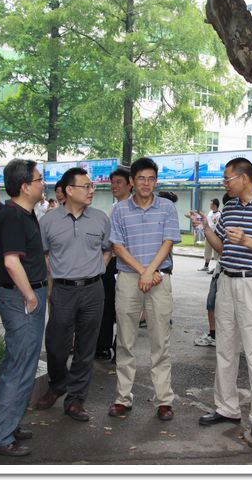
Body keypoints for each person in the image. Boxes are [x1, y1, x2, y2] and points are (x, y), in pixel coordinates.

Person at [193, 157, 252, 440]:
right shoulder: (230, 207)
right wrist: (205, 227)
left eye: (228, 179)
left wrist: (247, 241)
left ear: (244, 178)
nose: (225, 184)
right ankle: (226, 408)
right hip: (226, 281)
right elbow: (222, 247)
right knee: (225, 348)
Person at [35, 167, 112, 421]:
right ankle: (58, 384)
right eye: (86, 186)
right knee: (56, 345)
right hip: (63, 290)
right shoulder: (49, 221)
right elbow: (43, 252)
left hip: (93, 290)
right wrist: (56, 270)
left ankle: (76, 399)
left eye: (92, 186)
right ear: (69, 190)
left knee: (86, 347)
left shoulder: (100, 218)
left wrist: (99, 268)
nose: (91, 190)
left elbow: (107, 249)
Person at [108, 157, 181, 422]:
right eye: (141, 178)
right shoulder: (119, 210)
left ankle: (164, 400)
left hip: (159, 278)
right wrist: (143, 271)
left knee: (160, 341)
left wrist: (150, 272)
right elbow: (117, 246)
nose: (146, 183)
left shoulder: (167, 207)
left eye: (151, 179)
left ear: (156, 181)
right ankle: (123, 398)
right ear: (132, 181)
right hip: (129, 279)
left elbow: (168, 241)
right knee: (125, 341)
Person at [0, 159, 48, 457]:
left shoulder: (25, 213)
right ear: (25, 186)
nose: (43, 183)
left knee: (19, 364)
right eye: (39, 179)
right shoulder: (12, 215)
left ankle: (9, 424)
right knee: (19, 367)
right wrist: (31, 297)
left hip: (26, 294)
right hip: (21, 298)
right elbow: (11, 262)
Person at [94, 166, 133, 361]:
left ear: (130, 184)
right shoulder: (114, 207)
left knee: (126, 309)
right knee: (107, 305)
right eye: (112, 182)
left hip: (128, 264)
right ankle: (103, 346)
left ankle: (121, 348)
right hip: (111, 263)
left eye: (119, 182)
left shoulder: (133, 207)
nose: (114, 186)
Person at [194, 194, 231, 347]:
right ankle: (215, 335)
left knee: (215, 303)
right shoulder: (218, 215)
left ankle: (219, 336)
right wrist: (203, 227)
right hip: (221, 267)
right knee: (212, 303)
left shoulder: (225, 216)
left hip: (228, 270)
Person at [198, 199, 221, 273]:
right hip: (208, 234)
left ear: (214, 205)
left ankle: (217, 267)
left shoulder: (219, 214)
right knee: (207, 250)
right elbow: (207, 222)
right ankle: (206, 266)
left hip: (215, 235)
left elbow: (217, 225)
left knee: (216, 252)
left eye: (211, 204)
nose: (210, 205)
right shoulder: (210, 212)